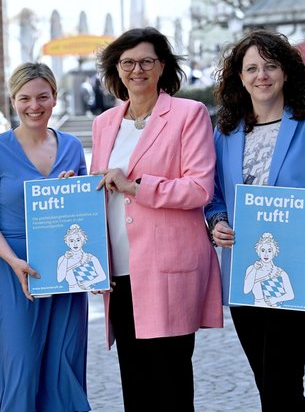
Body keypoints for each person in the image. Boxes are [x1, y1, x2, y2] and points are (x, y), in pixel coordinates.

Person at [205, 29, 305, 411]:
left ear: (286, 72)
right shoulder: (225, 133)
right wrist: (216, 223)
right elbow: (215, 197)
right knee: (269, 385)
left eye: (270, 66)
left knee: (281, 380)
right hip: (244, 276)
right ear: (239, 77)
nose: (261, 75)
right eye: (251, 68)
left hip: (300, 271)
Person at [91, 27, 223, 411]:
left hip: (167, 267)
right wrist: (82, 187)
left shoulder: (188, 114)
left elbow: (199, 188)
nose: (137, 69)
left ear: (162, 66)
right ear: (117, 68)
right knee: (134, 381)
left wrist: (135, 187)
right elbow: (106, 185)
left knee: (170, 381)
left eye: (147, 61)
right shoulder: (105, 123)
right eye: (128, 62)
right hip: (119, 269)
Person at [0, 62, 90, 412]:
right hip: (15, 268)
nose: (34, 106)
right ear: (13, 101)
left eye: (42, 97)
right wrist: (12, 261)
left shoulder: (71, 146)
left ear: (55, 98)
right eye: (24, 98)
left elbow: (84, 214)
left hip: (64, 268)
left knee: (64, 365)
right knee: (19, 366)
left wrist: (73, 193)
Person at [244, 232, 295, 308]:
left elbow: (291, 295)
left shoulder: (280, 272)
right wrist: (254, 269)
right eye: (263, 250)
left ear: (274, 253)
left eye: (269, 251)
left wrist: (276, 299)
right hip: (255, 308)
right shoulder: (251, 269)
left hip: (276, 308)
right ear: (258, 252)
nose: (266, 254)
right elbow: (246, 290)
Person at [56, 224, 106, 292]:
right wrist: (66, 259)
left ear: (82, 241)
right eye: (71, 240)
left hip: (88, 292)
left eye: (78, 240)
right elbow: (59, 279)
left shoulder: (90, 258)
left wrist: (89, 282)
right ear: (67, 242)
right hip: (70, 292)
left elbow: (103, 276)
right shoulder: (62, 259)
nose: (75, 243)